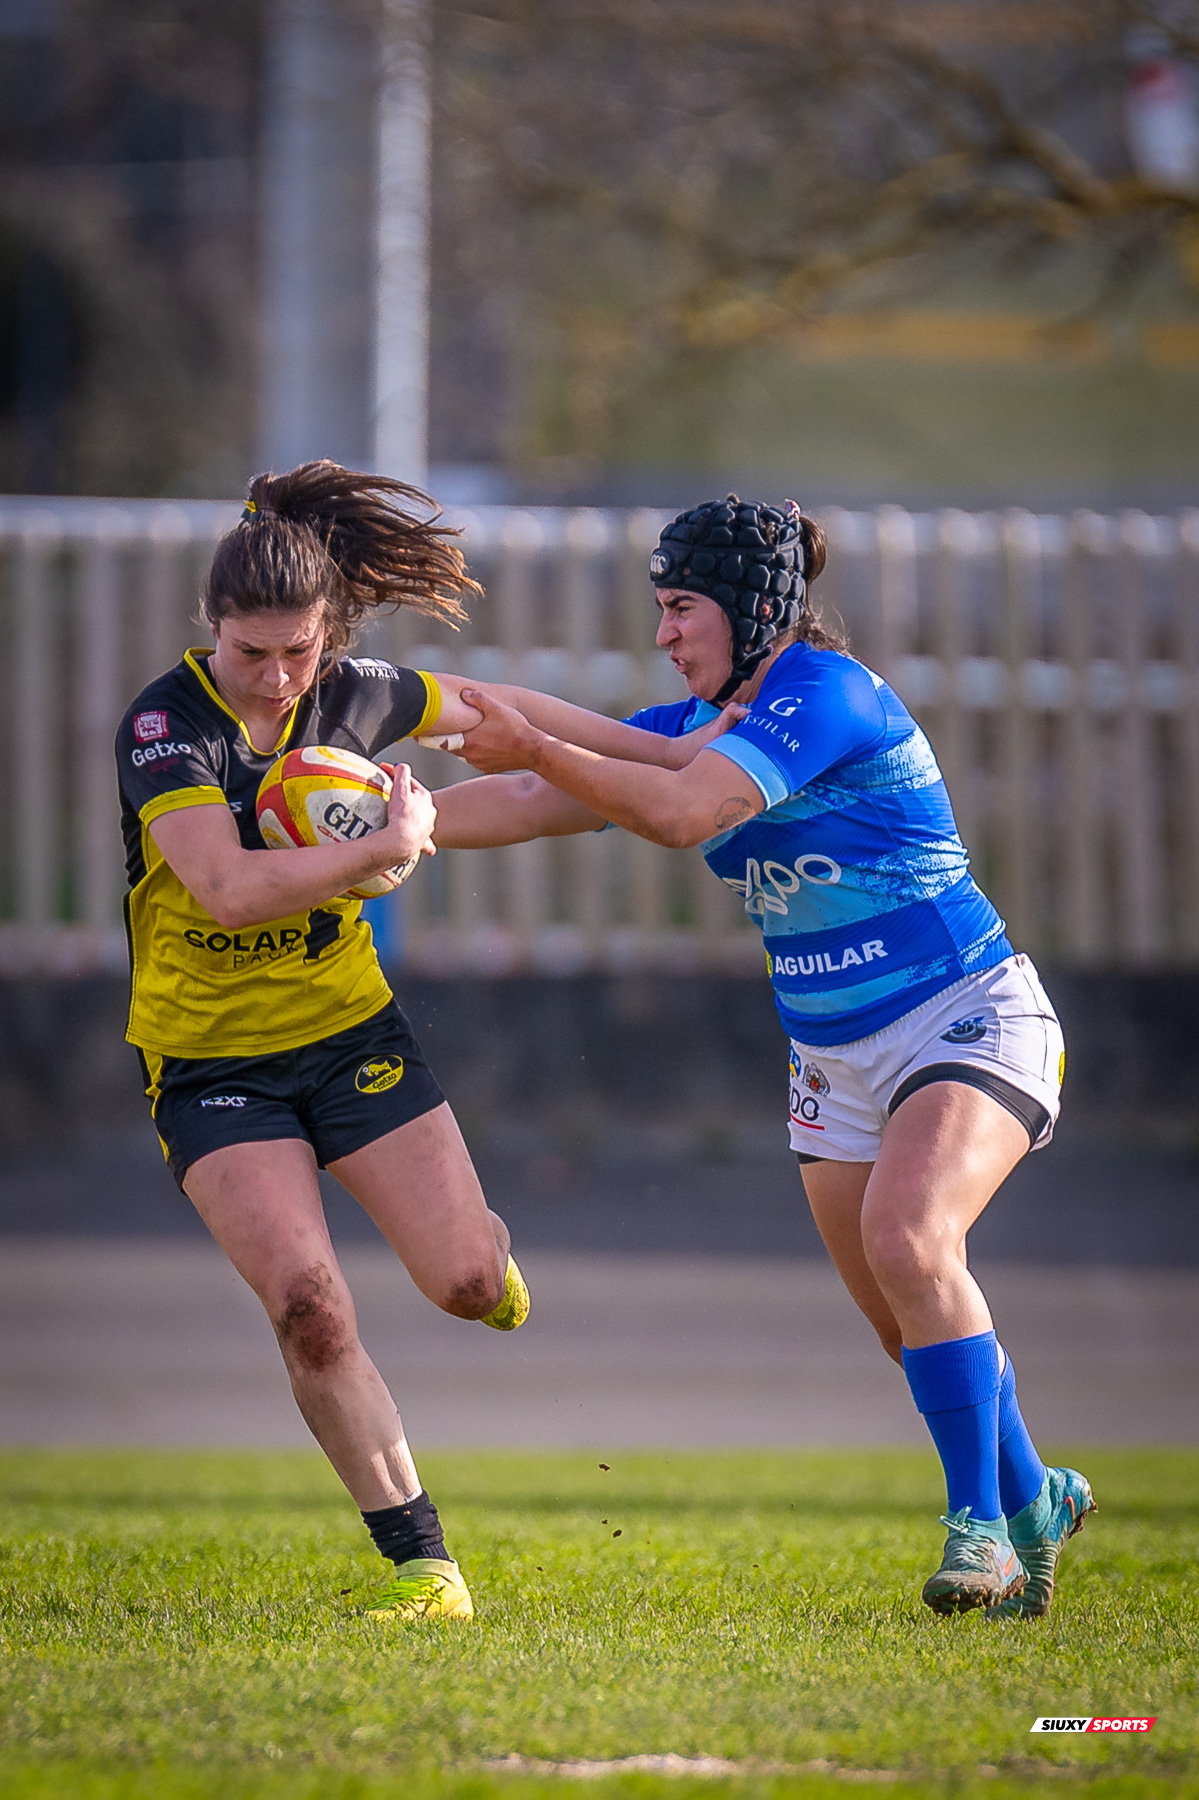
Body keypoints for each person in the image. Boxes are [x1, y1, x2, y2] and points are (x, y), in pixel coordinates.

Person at [430, 494, 1096, 1620]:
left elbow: (679, 813)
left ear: (750, 608)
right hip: (830, 1057)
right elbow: (541, 791)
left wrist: (537, 740)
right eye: (659, 608)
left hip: (964, 1014)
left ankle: (977, 1533)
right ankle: (1036, 1495)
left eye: (681, 608)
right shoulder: (703, 722)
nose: (663, 634)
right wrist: (393, 816)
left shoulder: (828, 696)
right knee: (901, 1317)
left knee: (910, 1241)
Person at [116, 461, 728, 1622]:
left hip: (350, 1033)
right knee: (308, 1305)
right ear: (210, 627)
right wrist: (384, 851)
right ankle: (423, 1565)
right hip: (208, 1064)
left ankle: (485, 1258)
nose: (276, 677)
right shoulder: (164, 727)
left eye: (298, 651)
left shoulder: (355, 695)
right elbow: (227, 890)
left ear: (328, 630)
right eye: (250, 654)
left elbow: (503, 713)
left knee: (462, 1284)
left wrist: (674, 751)